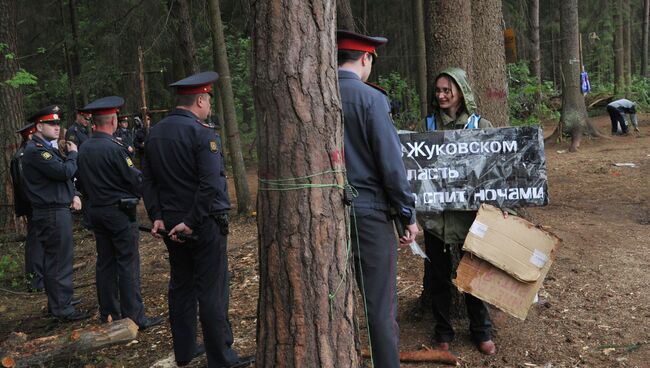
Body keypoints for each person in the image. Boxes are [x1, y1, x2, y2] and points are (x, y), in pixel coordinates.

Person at [142, 71, 254, 368]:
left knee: (181, 286)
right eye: (208, 101)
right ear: (201, 100)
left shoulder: (155, 134)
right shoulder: (202, 134)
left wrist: (158, 217)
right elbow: (210, 184)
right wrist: (190, 221)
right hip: (201, 224)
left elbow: (148, 181)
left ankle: (185, 350)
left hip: (172, 225)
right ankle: (221, 358)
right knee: (212, 290)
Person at [337, 30, 419, 368]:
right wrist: (407, 215)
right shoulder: (370, 99)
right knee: (379, 309)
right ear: (366, 58)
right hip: (369, 215)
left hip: (325, 214)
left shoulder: (315, 94)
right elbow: (390, 164)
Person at [421, 67, 496, 355]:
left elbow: (496, 170)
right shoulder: (427, 126)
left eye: (446, 90)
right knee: (439, 277)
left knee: (474, 275)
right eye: (437, 90)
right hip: (437, 218)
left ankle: (481, 330)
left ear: (460, 93)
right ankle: (443, 331)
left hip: (470, 216)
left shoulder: (481, 124)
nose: (440, 95)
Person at [76, 96, 163, 330]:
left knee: (105, 262)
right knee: (127, 263)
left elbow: (80, 181)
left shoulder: (84, 148)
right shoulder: (115, 149)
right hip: (118, 212)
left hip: (96, 211)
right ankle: (134, 316)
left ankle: (109, 314)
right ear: (113, 121)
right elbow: (134, 179)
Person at [21, 105, 88, 322]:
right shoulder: (36, 150)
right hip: (51, 212)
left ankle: (60, 301)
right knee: (59, 260)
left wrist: (74, 194)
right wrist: (73, 155)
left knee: (56, 259)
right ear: (39, 126)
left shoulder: (45, 148)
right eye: (51, 123)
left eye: (58, 123)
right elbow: (64, 172)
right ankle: (62, 308)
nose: (57, 127)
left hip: (55, 210)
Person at [10, 122, 44, 292]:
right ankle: (36, 280)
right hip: (34, 205)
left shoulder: (25, 154)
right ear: (30, 135)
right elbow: (24, 185)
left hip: (34, 204)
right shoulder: (23, 156)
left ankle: (38, 278)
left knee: (37, 241)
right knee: (36, 242)